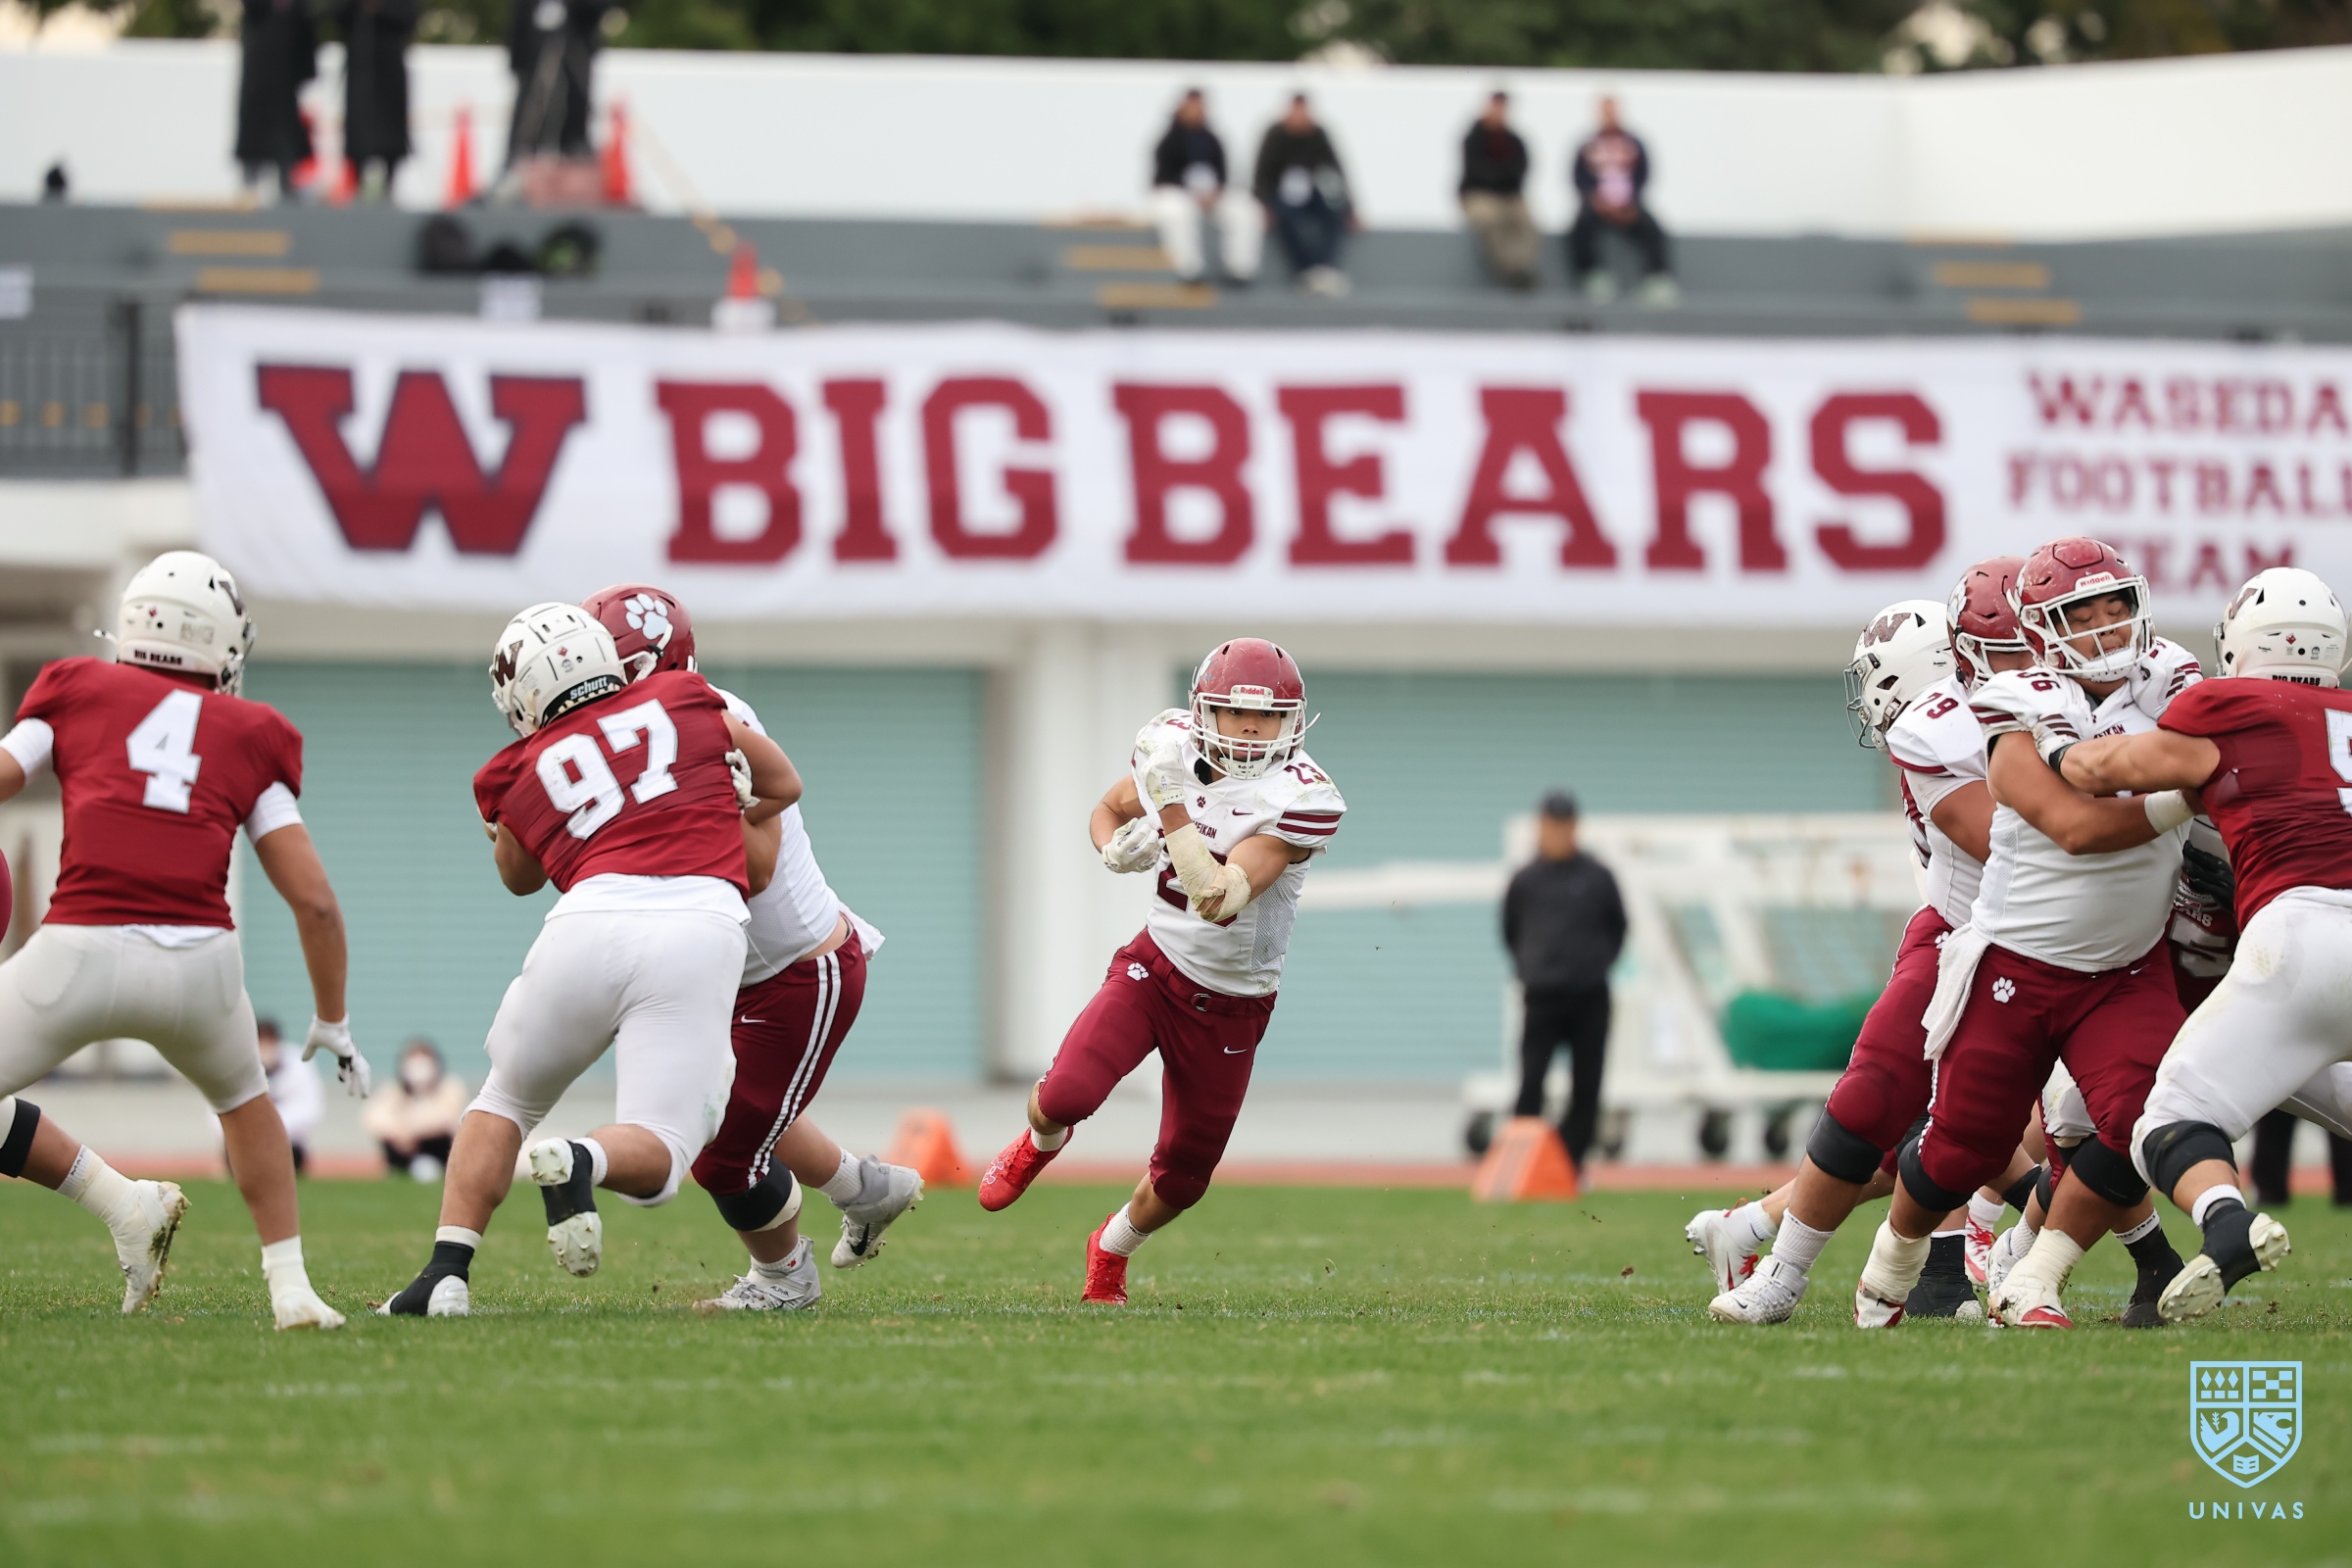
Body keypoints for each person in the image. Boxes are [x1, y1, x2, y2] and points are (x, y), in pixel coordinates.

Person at [379, 602, 796, 1318]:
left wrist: (513, 820)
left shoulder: (513, 767)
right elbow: (784, 785)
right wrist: (732, 798)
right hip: (698, 922)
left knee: (503, 1100)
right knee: (663, 1148)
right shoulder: (686, 696)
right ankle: (582, 1159)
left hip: (586, 922)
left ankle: (444, 1275)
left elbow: (519, 878)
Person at [0, 551, 361, 1329]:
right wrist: (332, 1018)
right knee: (247, 1107)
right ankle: (291, 1289)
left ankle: (127, 1206)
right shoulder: (250, 731)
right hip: (198, 964)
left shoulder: (75, 686)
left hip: (76, 951)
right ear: (219, 640)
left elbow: (5, 773)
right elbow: (315, 903)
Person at [1858, 537, 2195, 1330]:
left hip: (2127, 964)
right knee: (1962, 1149)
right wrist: (2190, 790)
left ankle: (2033, 1278)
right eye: (2084, 613)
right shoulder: (2018, 700)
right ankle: (1890, 1265)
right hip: (2021, 958)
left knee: (2142, 1118)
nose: (2109, 626)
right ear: (2041, 631)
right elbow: (2076, 828)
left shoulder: (2172, 678)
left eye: (2118, 606)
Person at [579, 585, 924, 1313]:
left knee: (724, 1153)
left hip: (797, 971)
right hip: (734, 973)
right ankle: (867, 1190)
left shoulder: (711, 722)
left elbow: (755, 867)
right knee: (740, 1113)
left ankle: (785, 1279)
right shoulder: (636, 731)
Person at [976, 640, 1345, 1303]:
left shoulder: (1300, 796)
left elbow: (1218, 899)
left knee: (1183, 1178)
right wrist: (1112, 848)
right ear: (1206, 711)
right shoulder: (1172, 747)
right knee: (1065, 1096)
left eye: (1267, 717)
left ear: (1293, 723)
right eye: (1235, 713)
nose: (1251, 728)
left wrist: (1171, 809)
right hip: (1154, 967)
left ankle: (1110, 1248)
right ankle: (1037, 1143)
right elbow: (1109, 808)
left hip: (1233, 1002)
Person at [1699, 585, 2021, 1325]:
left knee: (2069, 1119)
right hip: (1968, 939)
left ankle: (2018, 1256)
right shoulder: (1935, 735)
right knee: (1898, 1105)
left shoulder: (2025, 713)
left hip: (2062, 947)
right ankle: (1797, 1267)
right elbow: (2013, 842)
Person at [2042, 567, 2352, 1320]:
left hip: (2302, 936)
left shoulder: (2231, 703)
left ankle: (2227, 1222)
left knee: (2170, 1116)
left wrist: (2045, 739)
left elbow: (2103, 770)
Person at [1500, 790, 1624, 1178]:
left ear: (1575, 827)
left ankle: (1571, 1166)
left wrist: (1594, 966)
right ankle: (1522, 1166)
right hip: (1542, 997)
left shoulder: (1598, 877)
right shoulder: (1526, 880)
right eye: (1551, 824)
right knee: (1531, 1080)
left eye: (1564, 824)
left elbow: (1618, 927)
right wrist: (1533, 968)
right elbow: (1510, 929)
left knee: (1587, 1084)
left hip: (1589, 996)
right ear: (1540, 827)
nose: (1557, 832)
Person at [1149, 89, 1261, 287]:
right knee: (1178, 211)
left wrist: (1214, 193)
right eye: (1192, 106)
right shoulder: (1168, 141)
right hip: (1178, 194)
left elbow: (1223, 174)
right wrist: (1191, 193)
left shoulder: (1212, 140)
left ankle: (1240, 269)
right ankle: (1189, 270)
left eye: (1199, 106)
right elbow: (1162, 178)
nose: (1196, 111)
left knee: (1245, 209)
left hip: (1212, 196)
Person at [1568, 96, 1674, 306]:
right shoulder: (1588, 145)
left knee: (1652, 227)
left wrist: (1632, 202)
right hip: (1597, 205)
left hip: (1629, 205)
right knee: (1581, 226)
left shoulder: (1633, 144)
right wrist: (1595, 200)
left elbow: (1643, 174)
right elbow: (1578, 177)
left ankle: (1656, 276)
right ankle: (1591, 274)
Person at [1252, 95, 1353, 297]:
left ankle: (1324, 268)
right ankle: (1305, 270)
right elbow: (1262, 172)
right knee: (1286, 219)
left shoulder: (1317, 133)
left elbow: (1335, 170)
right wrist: (1263, 204)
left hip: (1312, 192)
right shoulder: (1275, 134)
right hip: (1280, 193)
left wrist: (1350, 207)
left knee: (1334, 214)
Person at [505, 0, 615, 167]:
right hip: (534, 57)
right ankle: (521, 152)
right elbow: (520, 21)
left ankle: (574, 148)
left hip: (575, 48)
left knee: (574, 103)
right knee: (531, 105)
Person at [235, 0, 318, 202]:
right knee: (255, 131)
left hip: (287, 72)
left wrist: (307, 70)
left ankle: (287, 181)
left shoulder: (297, 10)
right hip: (260, 67)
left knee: (286, 134)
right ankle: (250, 181)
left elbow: (305, 27)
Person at [335, 0, 416, 201]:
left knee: (391, 129)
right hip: (360, 66)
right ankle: (358, 179)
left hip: (389, 67)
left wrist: (381, 8)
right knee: (359, 127)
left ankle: (390, 181)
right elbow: (338, 15)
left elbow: (409, 18)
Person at [1459, 91, 1536, 290]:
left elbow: (1520, 169)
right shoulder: (1474, 138)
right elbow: (1476, 171)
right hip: (1480, 195)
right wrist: (1501, 176)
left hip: (1509, 196)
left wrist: (1502, 178)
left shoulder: (1513, 140)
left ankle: (1520, 267)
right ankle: (1509, 271)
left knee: (1526, 221)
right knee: (1492, 219)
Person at [365, 1039, 467, 1179]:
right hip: (401, 1151)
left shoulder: (450, 1087)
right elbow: (374, 1117)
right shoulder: (393, 1090)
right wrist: (399, 1134)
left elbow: (451, 1119)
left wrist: (416, 1133)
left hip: (438, 1149)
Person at [254, 1018, 324, 1176]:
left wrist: (272, 1128)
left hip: (289, 1144)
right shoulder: (241, 1064)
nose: (265, 1049)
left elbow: (311, 1108)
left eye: (269, 1041)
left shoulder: (299, 1064)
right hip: (247, 1145)